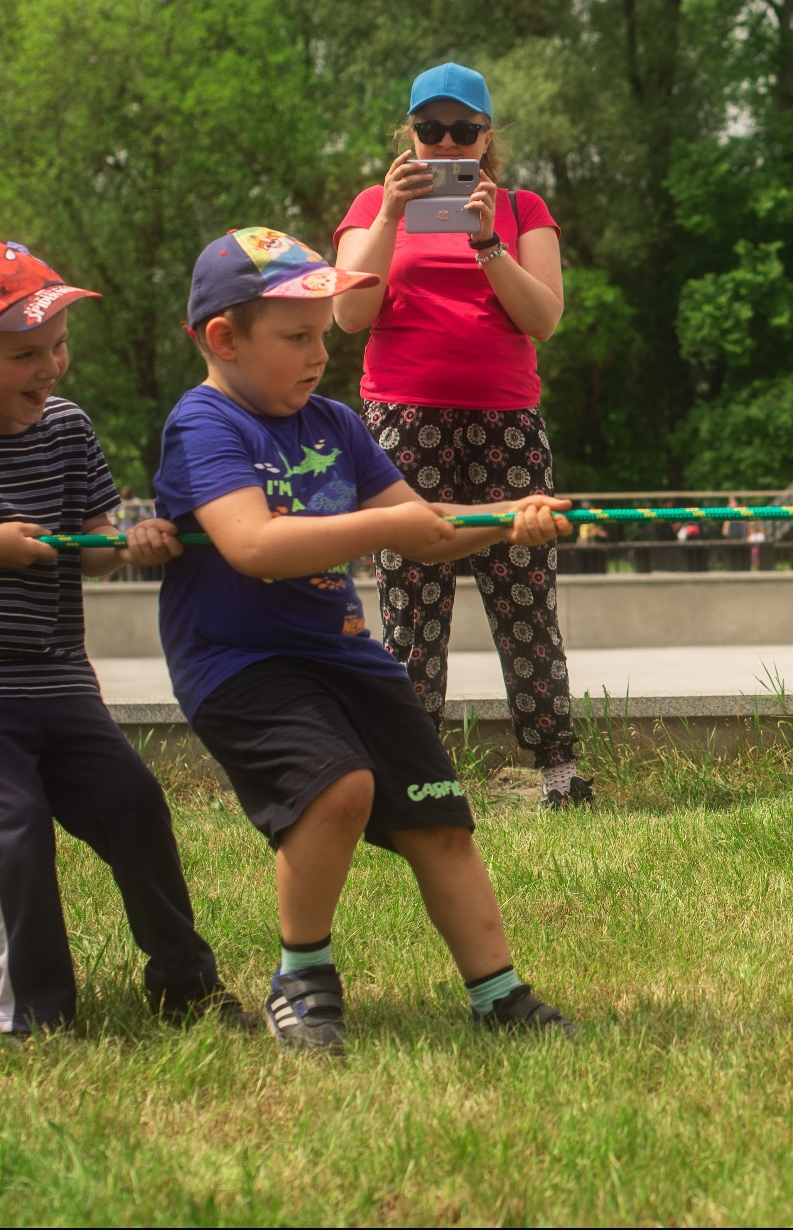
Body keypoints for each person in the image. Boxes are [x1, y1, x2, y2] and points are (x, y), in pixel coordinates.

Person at [156, 227, 577, 1055]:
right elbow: (253, 546)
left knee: (439, 815)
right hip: (239, 663)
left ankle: (499, 993)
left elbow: (423, 530)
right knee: (338, 787)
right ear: (223, 338)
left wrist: (507, 521)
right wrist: (388, 522)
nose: (320, 354)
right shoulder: (203, 425)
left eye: (321, 335)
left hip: (343, 654)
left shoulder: (337, 423)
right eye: (297, 337)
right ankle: (301, 978)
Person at [0, 242, 253, 1038]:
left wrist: (132, 543)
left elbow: (97, 544)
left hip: (62, 682)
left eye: (58, 347)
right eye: (23, 356)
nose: (50, 369)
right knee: (19, 829)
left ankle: (185, 983)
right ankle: (38, 1015)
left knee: (135, 804)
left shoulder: (68, 428)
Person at [332, 63, 589, 808]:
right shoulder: (371, 205)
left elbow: (543, 318)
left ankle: (560, 772)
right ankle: (416, 776)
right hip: (401, 419)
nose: (447, 142)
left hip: (506, 420)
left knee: (524, 592)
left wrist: (488, 244)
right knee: (411, 602)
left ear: (487, 137)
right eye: (431, 130)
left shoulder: (520, 206)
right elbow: (349, 316)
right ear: (409, 134)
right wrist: (387, 217)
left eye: (464, 131)